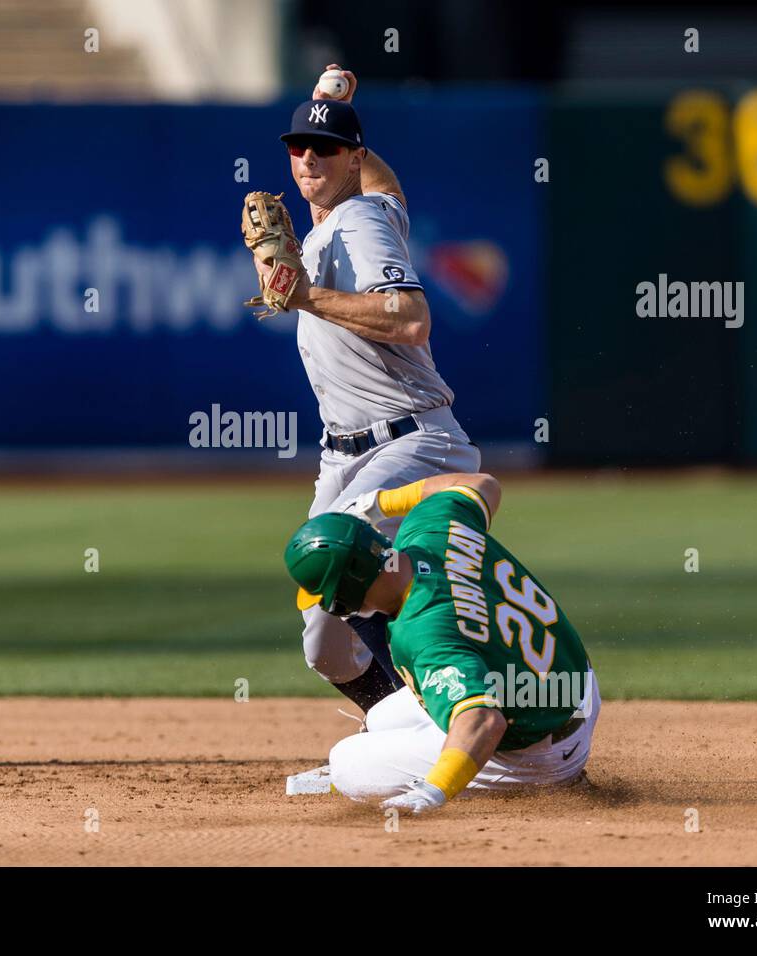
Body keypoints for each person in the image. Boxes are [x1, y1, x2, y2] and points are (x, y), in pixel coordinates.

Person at [256, 64, 480, 713]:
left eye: (325, 147)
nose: (307, 159)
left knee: (343, 575)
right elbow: (387, 183)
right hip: (345, 455)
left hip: (412, 442)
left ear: (351, 156)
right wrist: (329, 107)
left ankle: (454, 717)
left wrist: (305, 296)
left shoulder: (360, 223)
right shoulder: (368, 204)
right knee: (323, 643)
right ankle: (396, 729)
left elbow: (410, 319)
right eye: (298, 147)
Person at [283, 472, 600, 813]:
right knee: (381, 719)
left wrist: (435, 790)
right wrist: (380, 503)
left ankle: (553, 778)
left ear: (352, 583)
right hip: (572, 687)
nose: (335, 607)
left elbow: (483, 720)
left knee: (346, 762)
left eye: (333, 598)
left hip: (536, 749)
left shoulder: (423, 631)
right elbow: (484, 485)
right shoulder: (427, 528)